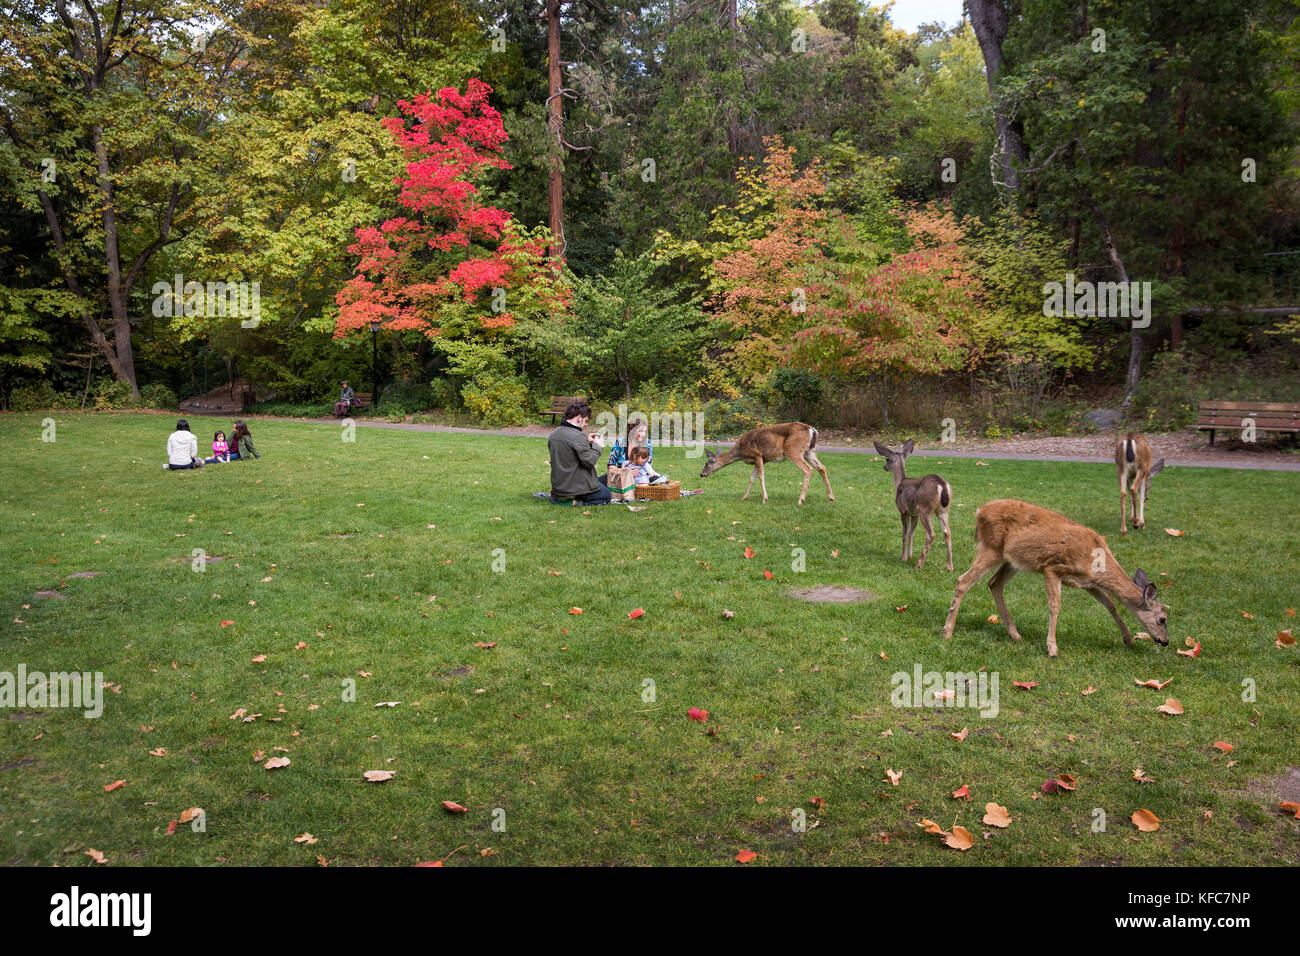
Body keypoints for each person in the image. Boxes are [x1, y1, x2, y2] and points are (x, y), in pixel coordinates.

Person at [548, 399, 611, 505]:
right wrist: (597, 446)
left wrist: (588, 442)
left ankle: (562, 497)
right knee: (606, 495)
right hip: (574, 487)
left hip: (560, 485)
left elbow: (570, 453)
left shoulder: (554, 434)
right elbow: (589, 461)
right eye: (585, 421)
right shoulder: (578, 436)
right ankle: (575, 502)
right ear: (578, 419)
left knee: (606, 478)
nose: (586, 424)